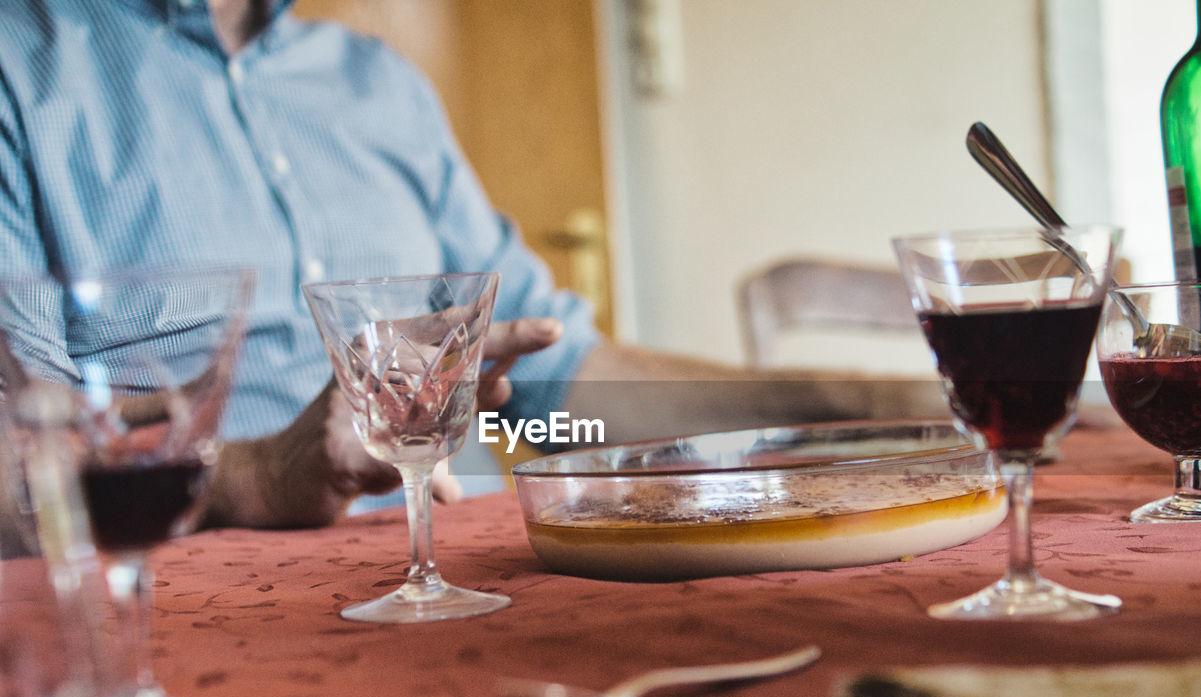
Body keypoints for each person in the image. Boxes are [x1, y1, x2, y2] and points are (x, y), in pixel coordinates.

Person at [0, 0, 944, 530]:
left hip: (497, 578)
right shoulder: (20, 67)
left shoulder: (378, 87)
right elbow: (14, 461)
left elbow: (562, 379)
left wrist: (910, 408)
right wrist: (249, 475)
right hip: (209, 626)